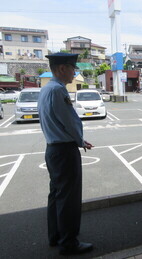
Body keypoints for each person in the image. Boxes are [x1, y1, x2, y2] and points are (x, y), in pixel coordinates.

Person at [38, 52, 94, 255]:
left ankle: (56, 236)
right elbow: (70, 121)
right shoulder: (58, 91)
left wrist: (78, 140)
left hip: (53, 148)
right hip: (64, 151)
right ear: (62, 68)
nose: (74, 72)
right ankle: (69, 242)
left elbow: (55, 121)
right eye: (73, 68)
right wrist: (79, 140)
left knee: (56, 195)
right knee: (68, 198)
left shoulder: (46, 89)